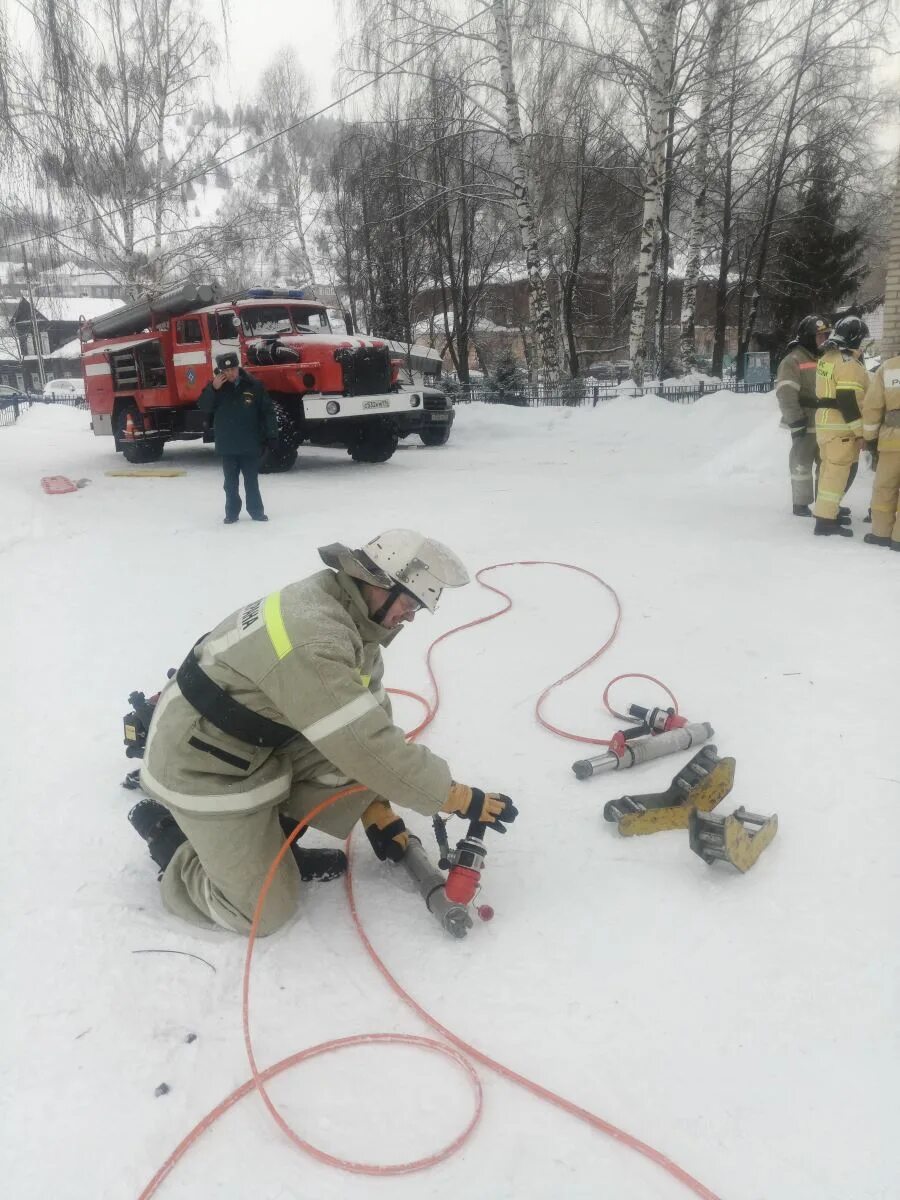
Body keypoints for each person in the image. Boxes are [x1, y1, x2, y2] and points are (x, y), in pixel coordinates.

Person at [127, 530, 518, 935]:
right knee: (262, 911)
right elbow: (366, 746)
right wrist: (452, 795)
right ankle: (170, 838)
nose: (412, 616)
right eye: (410, 602)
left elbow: (371, 723)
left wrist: (375, 807)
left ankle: (272, 845)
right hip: (200, 765)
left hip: (254, 744)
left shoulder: (349, 615)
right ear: (380, 582)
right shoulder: (314, 637)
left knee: (358, 762)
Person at [199, 351, 278, 524]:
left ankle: (256, 511)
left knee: (251, 481)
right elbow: (203, 406)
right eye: (226, 371)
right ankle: (231, 513)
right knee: (230, 484)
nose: (230, 374)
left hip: (249, 443)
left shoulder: (254, 385)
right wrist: (213, 389)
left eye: (233, 369)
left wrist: (272, 434)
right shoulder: (215, 387)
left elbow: (267, 412)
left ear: (238, 367)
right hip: (227, 445)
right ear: (220, 371)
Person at [811, 316, 870, 538]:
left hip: (826, 423)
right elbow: (847, 399)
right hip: (841, 427)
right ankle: (826, 522)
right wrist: (860, 432)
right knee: (835, 475)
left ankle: (827, 513)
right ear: (854, 338)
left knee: (828, 472)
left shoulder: (828, 357)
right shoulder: (849, 364)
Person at [775, 315, 832, 517]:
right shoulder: (793, 360)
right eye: (820, 336)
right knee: (802, 463)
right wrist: (795, 420)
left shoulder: (826, 358)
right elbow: (785, 393)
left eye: (826, 335)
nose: (824, 339)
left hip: (827, 423)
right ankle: (800, 503)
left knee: (827, 465)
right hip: (805, 421)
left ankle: (827, 505)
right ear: (808, 337)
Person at [861, 354, 900, 550]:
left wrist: (869, 438)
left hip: (891, 441)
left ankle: (881, 533)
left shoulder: (889, 367)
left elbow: (872, 405)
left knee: (884, 488)